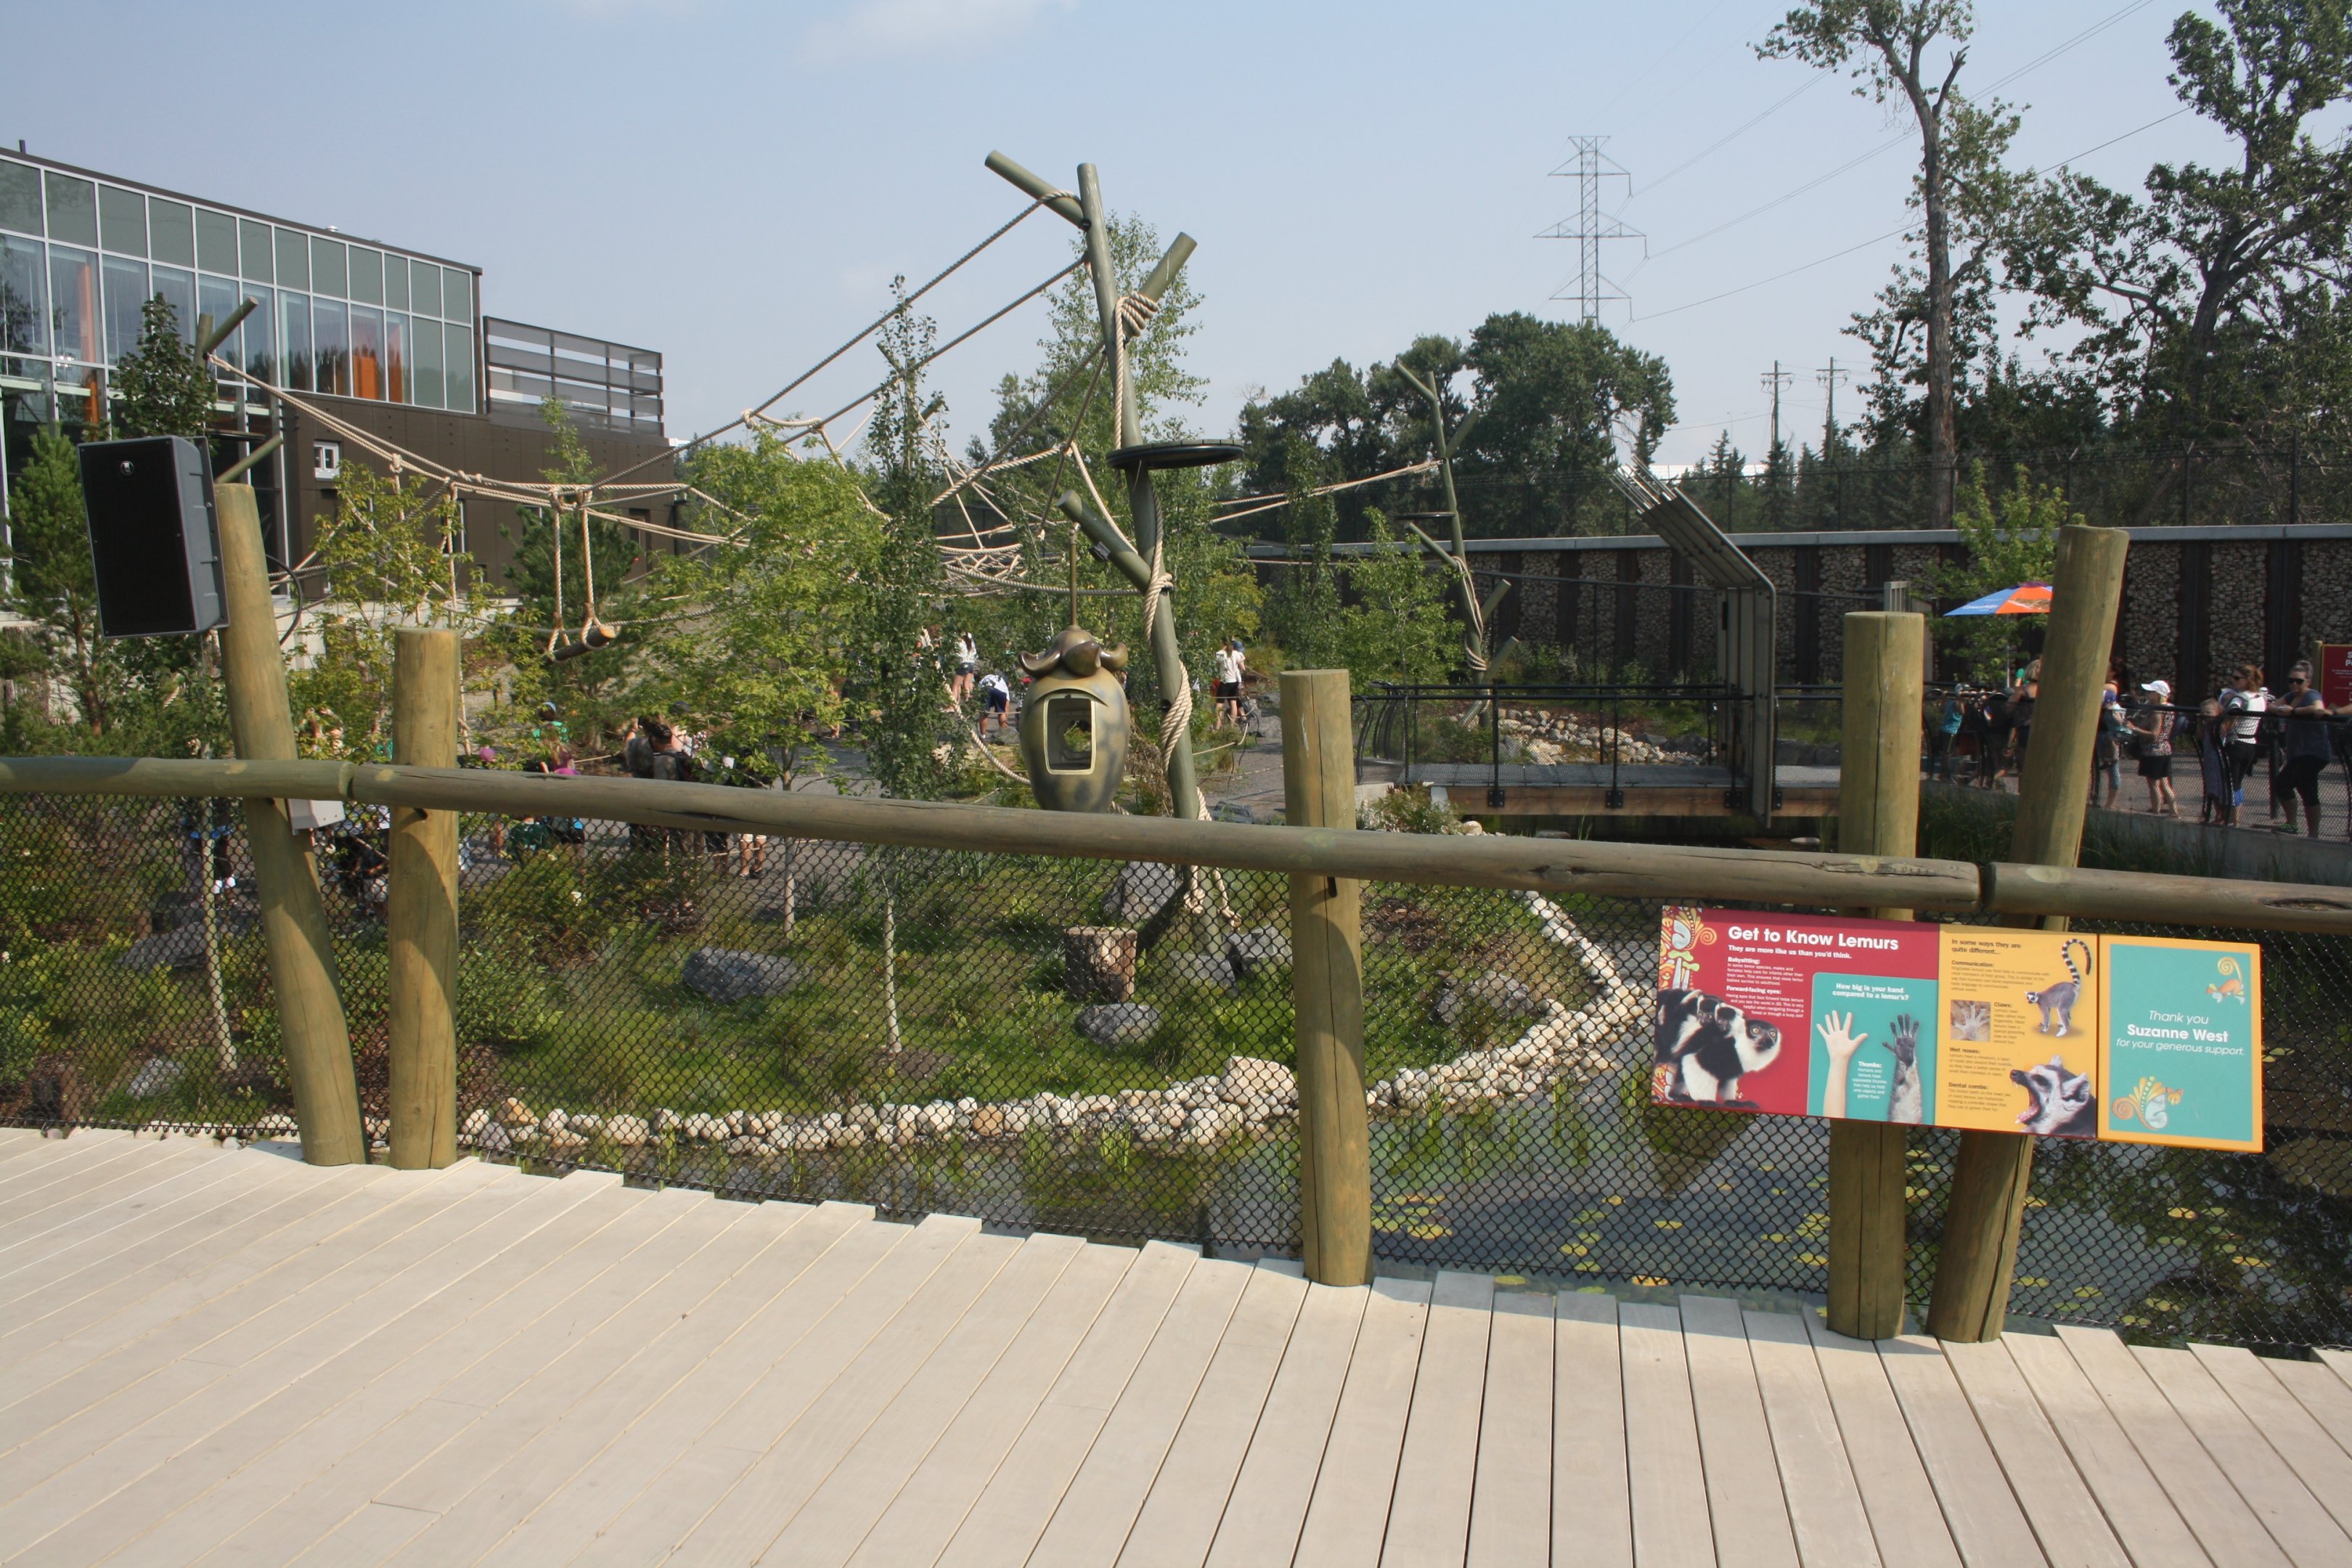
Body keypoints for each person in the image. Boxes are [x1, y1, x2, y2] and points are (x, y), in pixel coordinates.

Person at [2276, 663, 2333, 837]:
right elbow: (2272, 706)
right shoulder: (2291, 696)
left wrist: (2292, 712)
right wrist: (2281, 709)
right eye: (2291, 681)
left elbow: (2317, 707)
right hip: (2297, 752)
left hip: (2313, 752)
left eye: (2299, 681)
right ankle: (2313, 834)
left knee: (2282, 784)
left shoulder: (2311, 695)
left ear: (2307, 681)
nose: (2294, 685)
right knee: (2308, 790)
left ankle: (2292, 823)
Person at [2218, 665, 2267, 825]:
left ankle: (2229, 818)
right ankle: (2235, 818)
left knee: (2230, 782)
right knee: (2237, 783)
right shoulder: (2261, 698)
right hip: (2251, 744)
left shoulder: (2239, 699)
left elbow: (2230, 719)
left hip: (2236, 743)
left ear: (2248, 680)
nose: (2233, 681)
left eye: (2237, 678)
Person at [2130, 679, 2179, 817]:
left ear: (2158, 695)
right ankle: (2173, 811)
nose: (2148, 694)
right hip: (2165, 748)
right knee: (2164, 782)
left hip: (2154, 750)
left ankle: (2156, 811)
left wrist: (2134, 729)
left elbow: (2154, 734)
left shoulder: (2157, 712)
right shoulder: (2169, 708)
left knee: (2154, 784)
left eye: (2151, 692)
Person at [2091, 678, 2128, 810]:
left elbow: (2120, 724)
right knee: (2109, 770)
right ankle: (2104, 800)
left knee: (2113, 770)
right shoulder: (2109, 710)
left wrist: (2115, 715)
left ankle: (2110, 803)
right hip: (2106, 741)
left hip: (2112, 742)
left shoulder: (2112, 712)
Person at [2197, 698, 2231, 825]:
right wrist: (2201, 722)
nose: (2206, 715)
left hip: (2219, 760)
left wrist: (2216, 722)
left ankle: (2223, 816)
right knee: (2212, 788)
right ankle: (2217, 814)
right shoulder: (2205, 727)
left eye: (2209, 712)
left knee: (2220, 788)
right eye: (2204, 713)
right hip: (2209, 760)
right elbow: (2199, 737)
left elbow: (2222, 735)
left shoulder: (2220, 726)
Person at [1212, 640, 1243, 727]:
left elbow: (1216, 664)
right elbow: (1241, 663)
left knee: (1219, 705)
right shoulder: (1236, 653)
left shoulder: (1220, 654)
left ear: (1223, 643)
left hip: (1225, 682)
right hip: (1234, 682)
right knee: (1233, 703)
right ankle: (1232, 726)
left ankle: (1217, 726)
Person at [978, 669, 1011, 736]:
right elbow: (1006, 707)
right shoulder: (1004, 684)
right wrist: (1005, 721)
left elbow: (978, 691)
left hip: (986, 688)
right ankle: (1003, 733)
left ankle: (983, 736)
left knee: (984, 713)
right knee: (1001, 712)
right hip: (999, 691)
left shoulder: (987, 677)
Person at [952, 632, 979, 703]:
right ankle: (968, 700)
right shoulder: (971, 643)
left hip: (964, 664)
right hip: (971, 665)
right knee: (966, 684)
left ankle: (953, 704)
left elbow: (959, 654)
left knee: (955, 685)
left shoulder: (959, 642)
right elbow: (974, 653)